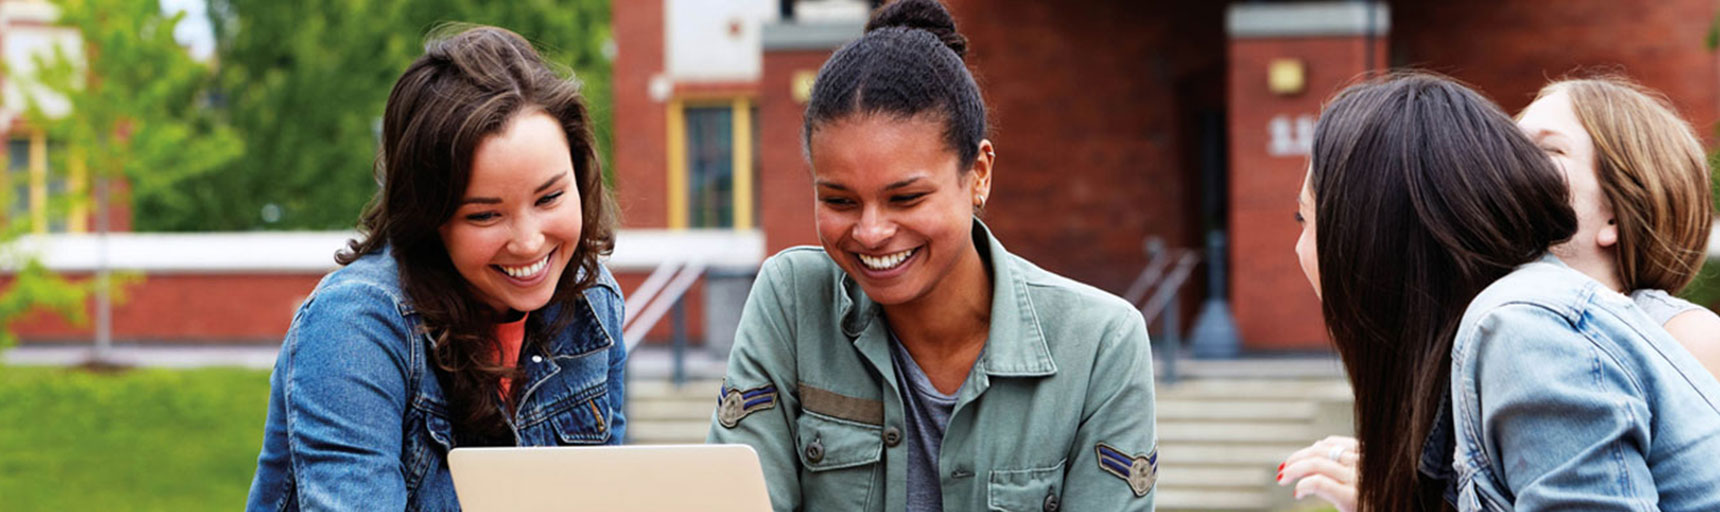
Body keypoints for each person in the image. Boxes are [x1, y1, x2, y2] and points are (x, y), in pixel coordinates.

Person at [1278, 72, 1720, 511]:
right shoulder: (1507, 328)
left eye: (1540, 155)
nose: (1502, 172)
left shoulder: (1532, 328)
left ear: (1616, 214)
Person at [705, 1, 1158, 510]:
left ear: (979, 173)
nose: (871, 232)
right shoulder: (791, 301)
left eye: (906, 198)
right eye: (839, 200)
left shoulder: (1100, 345)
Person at [245, 25, 626, 511]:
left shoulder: (592, 301)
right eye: (485, 215)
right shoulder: (353, 329)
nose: (529, 242)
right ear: (429, 219)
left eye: (550, 197)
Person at [1518, 77, 1720, 424]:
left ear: (1614, 218)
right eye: (1510, 144)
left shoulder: (1686, 341)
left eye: (1548, 150)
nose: (1506, 163)